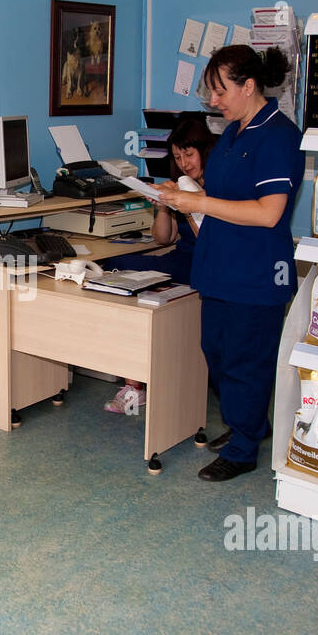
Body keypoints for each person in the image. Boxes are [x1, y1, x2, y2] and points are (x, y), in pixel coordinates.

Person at [156, 44, 303, 482]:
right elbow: (217, 198)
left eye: (220, 92)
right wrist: (180, 196)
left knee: (246, 359)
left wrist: (196, 200)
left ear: (249, 86)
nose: (214, 102)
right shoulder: (233, 134)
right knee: (217, 353)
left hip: (255, 272)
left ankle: (242, 449)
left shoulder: (278, 135)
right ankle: (249, 425)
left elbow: (268, 212)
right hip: (219, 267)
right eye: (210, 94)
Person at [102, 117, 217, 415]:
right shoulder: (181, 183)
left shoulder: (218, 185)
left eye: (189, 155)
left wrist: (188, 205)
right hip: (179, 258)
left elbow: (211, 241)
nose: (184, 163)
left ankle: (135, 387)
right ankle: (133, 386)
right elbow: (164, 237)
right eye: (177, 158)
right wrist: (163, 205)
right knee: (115, 268)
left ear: (204, 150)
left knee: (131, 278)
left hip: (208, 263)